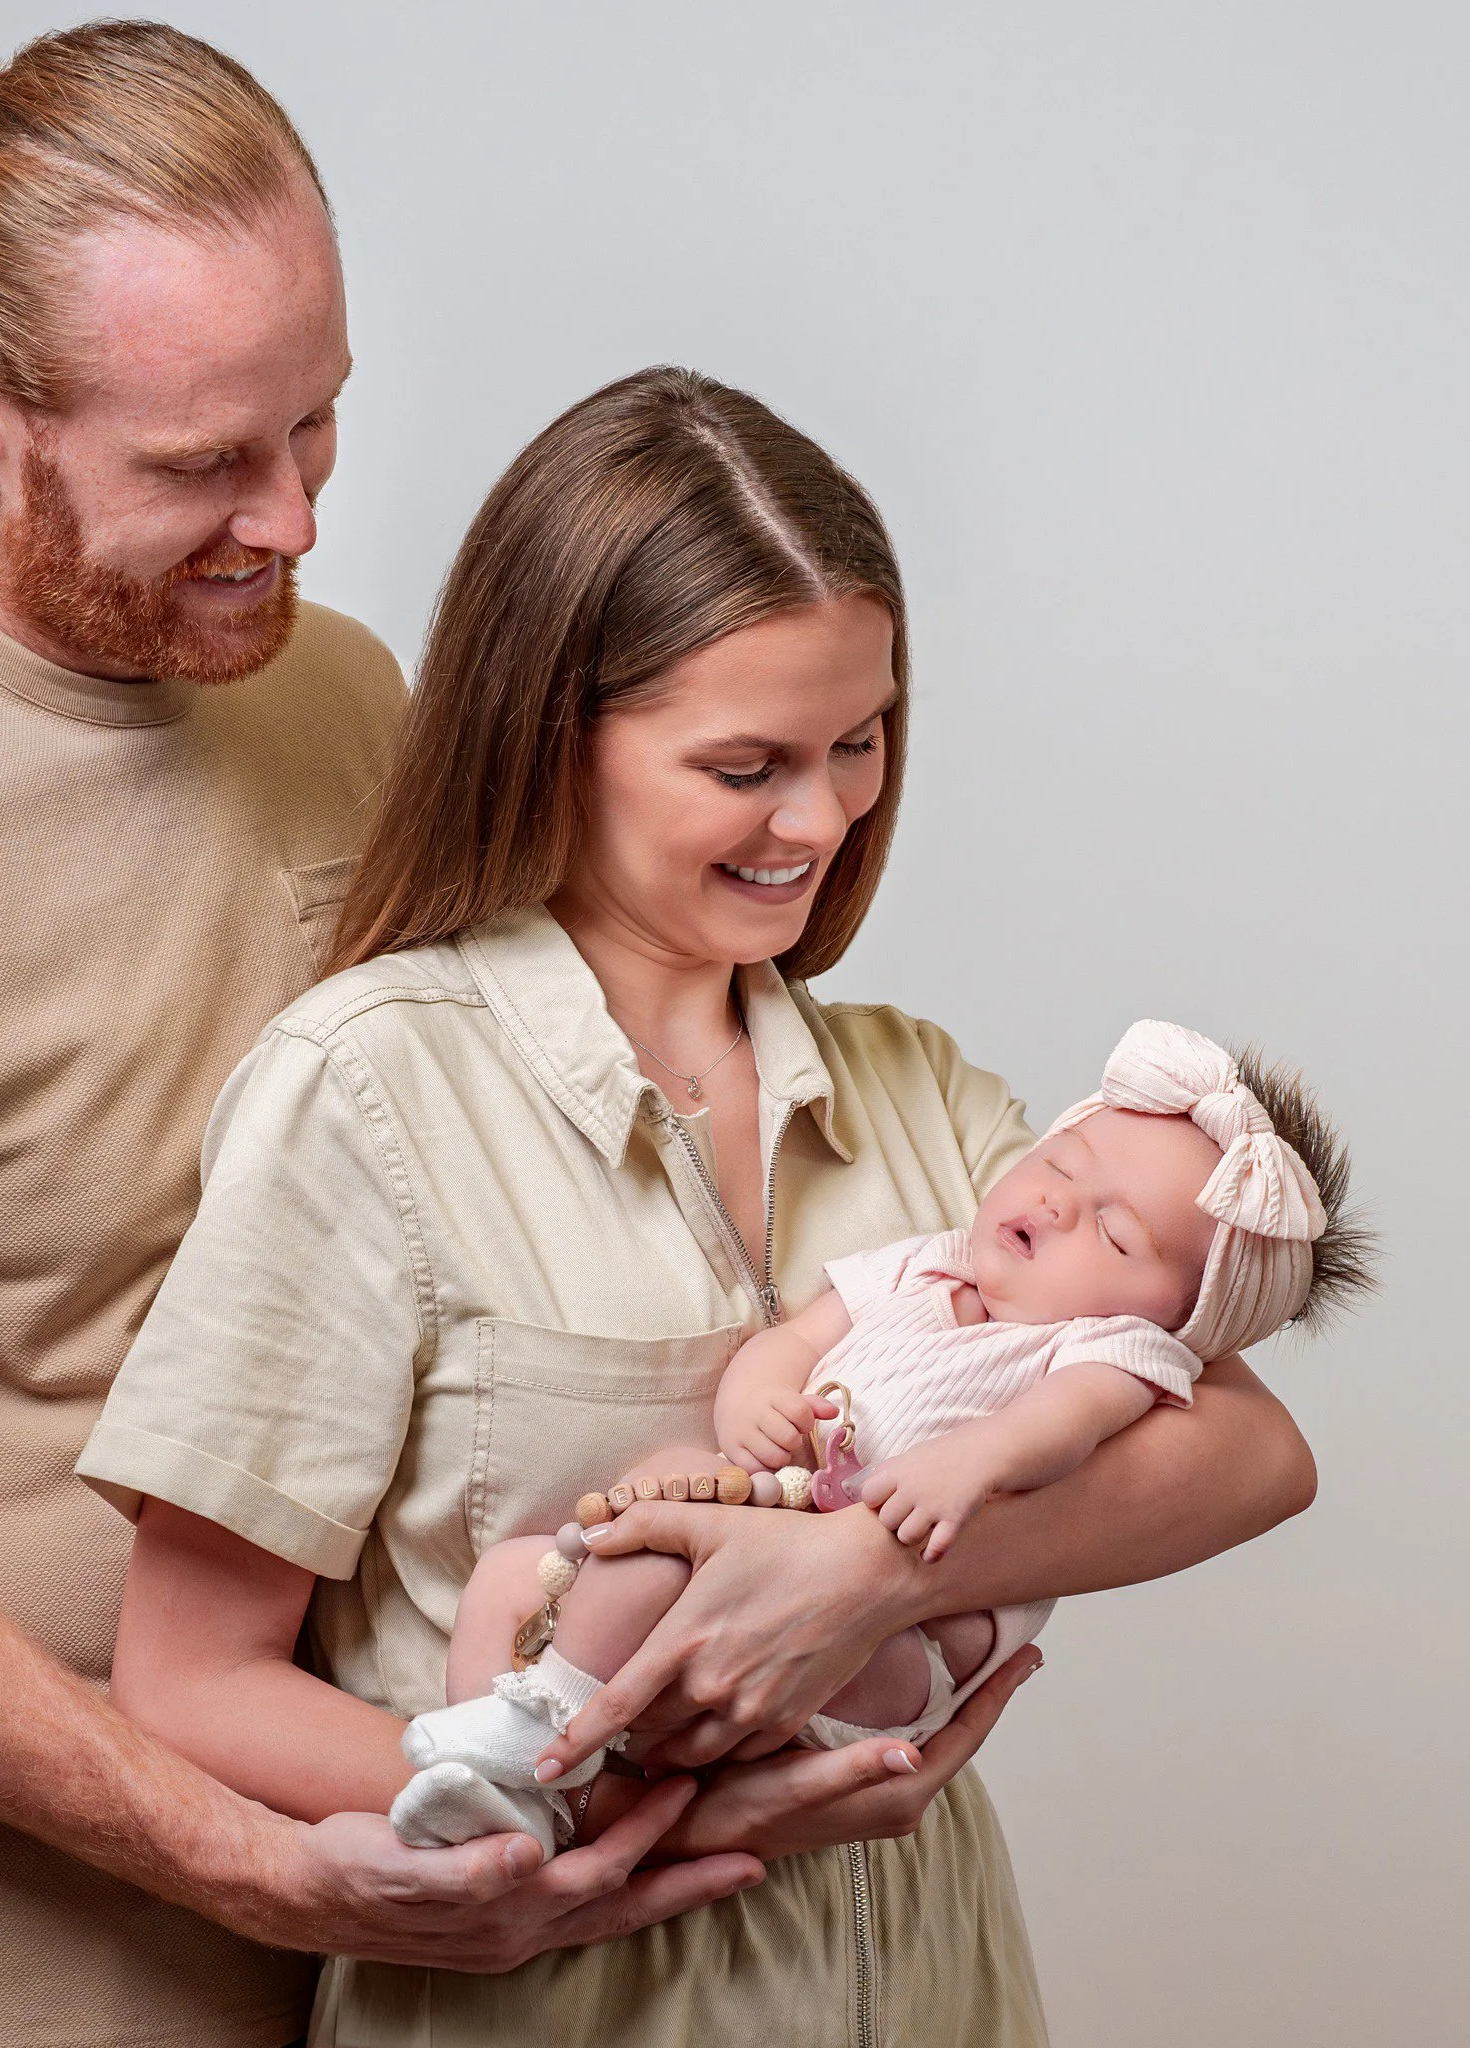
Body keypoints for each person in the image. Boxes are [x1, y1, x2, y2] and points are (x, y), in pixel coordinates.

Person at [0, 27, 762, 2048]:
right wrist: (241, 1857)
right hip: (0, 1981)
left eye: (317, 428)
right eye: (203, 464)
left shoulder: (344, 699)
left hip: (411, 1916)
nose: (290, 522)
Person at [83, 367, 1319, 2043]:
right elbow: (185, 1679)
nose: (818, 817)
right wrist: (601, 1793)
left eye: (858, 740)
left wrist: (854, 1584)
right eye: (744, 762)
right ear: (550, 732)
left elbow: (1245, 1447)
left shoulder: (921, 1099)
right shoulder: (366, 1090)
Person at [389, 1018, 1372, 1858]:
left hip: (901, 1647)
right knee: (515, 1576)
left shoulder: (1106, 1350)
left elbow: (1054, 1427)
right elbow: (796, 1339)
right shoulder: (924, 1267)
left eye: (1113, 1237)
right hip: (771, 1524)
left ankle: (541, 1745)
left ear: (1174, 1318)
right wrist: (757, 1397)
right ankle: (489, 1764)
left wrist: (966, 1464)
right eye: (1057, 1165)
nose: (1056, 1203)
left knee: (648, 1574)